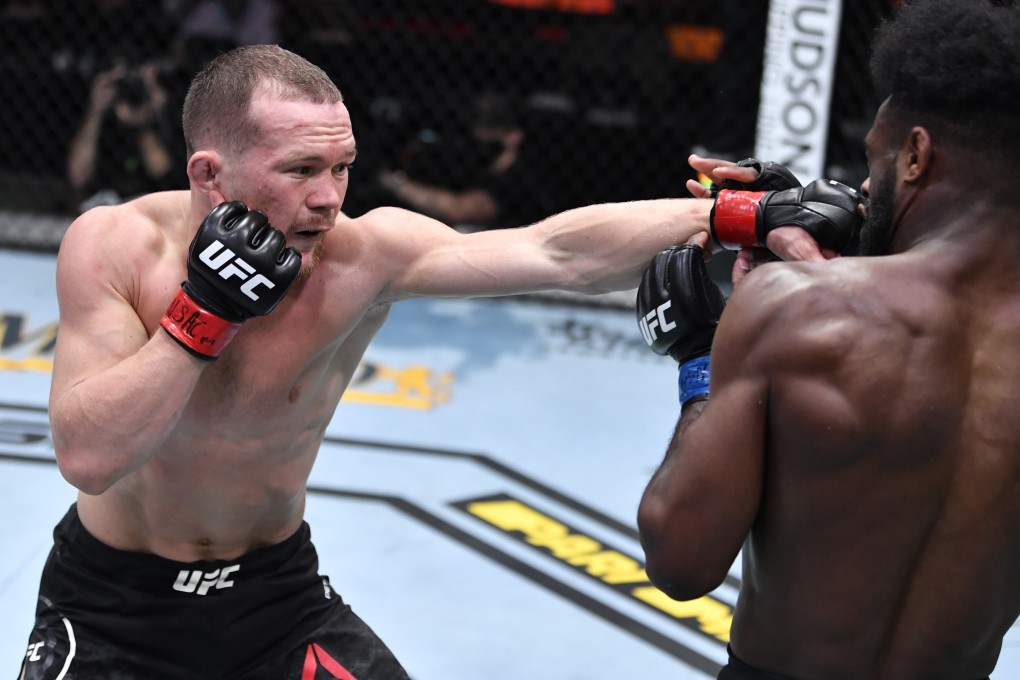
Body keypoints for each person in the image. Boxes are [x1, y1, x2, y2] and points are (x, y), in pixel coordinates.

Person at [19, 44, 853, 679]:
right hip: (112, 611)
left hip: (275, 600)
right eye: (301, 170)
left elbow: (555, 252)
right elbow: (88, 457)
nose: (328, 197)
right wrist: (201, 316)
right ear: (211, 175)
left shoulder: (362, 255)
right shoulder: (118, 247)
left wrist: (732, 215)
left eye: (341, 167)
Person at [635, 1, 1020, 678]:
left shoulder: (795, 312)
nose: (863, 187)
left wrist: (700, 358)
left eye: (874, 161)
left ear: (916, 155)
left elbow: (681, 561)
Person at [377, 92, 552, 230]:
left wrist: (395, 183)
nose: (482, 137)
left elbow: (460, 210)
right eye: (479, 128)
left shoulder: (518, 177)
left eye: (491, 130)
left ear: (514, 136)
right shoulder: (485, 168)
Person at [66, 58, 183, 212]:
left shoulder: (165, 116)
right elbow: (78, 176)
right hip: (103, 208)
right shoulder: (101, 120)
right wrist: (95, 111)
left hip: (151, 208)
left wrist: (147, 121)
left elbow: (164, 177)